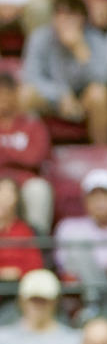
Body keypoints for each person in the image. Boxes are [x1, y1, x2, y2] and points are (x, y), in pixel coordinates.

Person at [20, 0, 107, 143]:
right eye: (60, 14)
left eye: (70, 15)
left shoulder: (95, 38)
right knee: (26, 94)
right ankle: (29, 148)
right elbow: (30, 76)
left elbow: (104, 79)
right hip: (52, 99)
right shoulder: (40, 37)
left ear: (82, 19)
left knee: (99, 93)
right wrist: (60, 95)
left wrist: (80, 50)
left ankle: (101, 151)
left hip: (83, 101)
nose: (64, 20)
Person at [0, 73, 53, 235]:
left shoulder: (32, 123)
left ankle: (37, 249)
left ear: (15, 94)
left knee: (39, 190)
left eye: (6, 92)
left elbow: (36, 157)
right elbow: (27, 156)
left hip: (25, 183)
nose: (2, 98)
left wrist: (4, 153)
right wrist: (18, 154)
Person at [0, 177, 43, 282]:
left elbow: (36, 266)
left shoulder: (24, 230)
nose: (3, 198)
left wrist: (18, 272)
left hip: (18, 286)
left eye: (9, 194)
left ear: (17, 199)